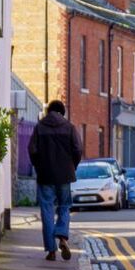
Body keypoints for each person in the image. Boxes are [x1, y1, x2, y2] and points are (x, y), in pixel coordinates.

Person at [27, 99, 83, 261]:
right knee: (65, 206)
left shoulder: (40, 127)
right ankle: (62, 235)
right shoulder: (69, 127)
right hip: (65, 175)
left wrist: (39, 166)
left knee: (47, 210)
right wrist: (73, 166)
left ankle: (51, 250)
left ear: (48, 111)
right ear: (62, 112)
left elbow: (32, 150)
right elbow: (78, 149)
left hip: (45, 175)